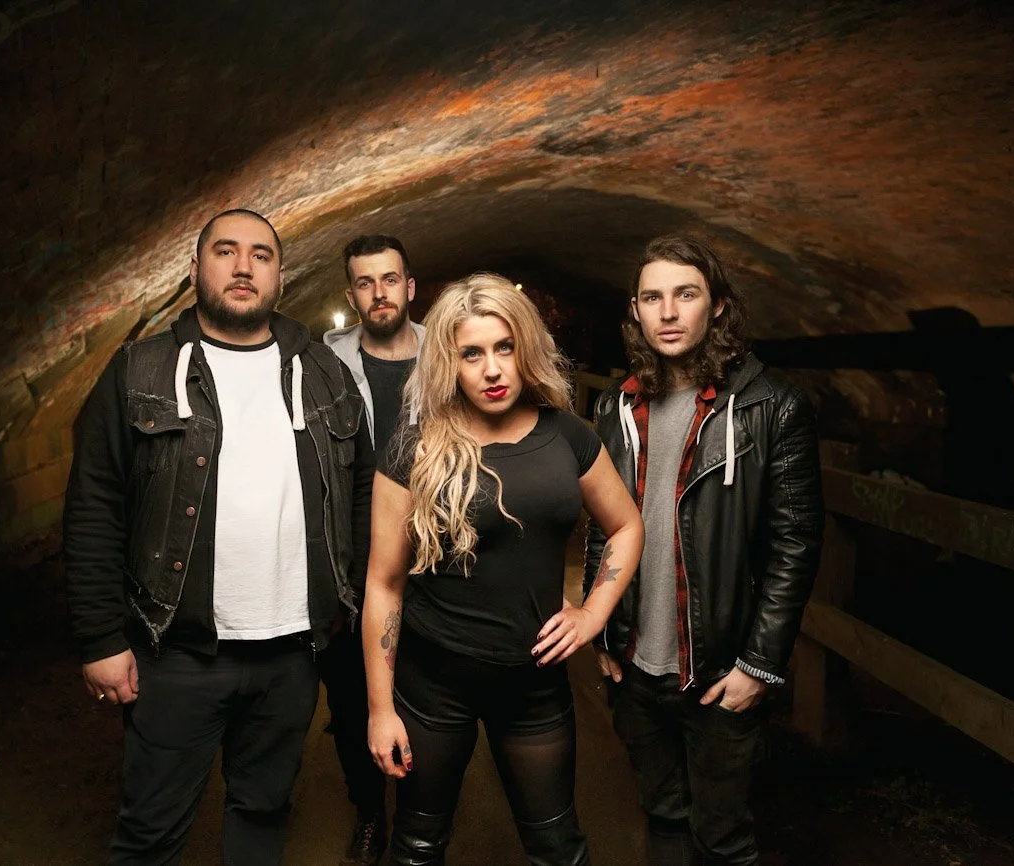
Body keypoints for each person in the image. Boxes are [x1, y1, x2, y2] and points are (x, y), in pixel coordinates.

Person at [63, 208, 373, 865]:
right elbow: (94, 504)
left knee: (262, 816)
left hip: (292, 652)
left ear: (280, 275)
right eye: (225, 251)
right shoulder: (139, 371)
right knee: (151, 832)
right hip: (176, 651)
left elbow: (362, 495)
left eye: (260, 255)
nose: (242, 266)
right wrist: (99, 638)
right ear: (197, 268)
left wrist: (350, 604)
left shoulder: (323, 373)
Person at [362, 274, 644, 866]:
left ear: (526, 350)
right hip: (432, 686)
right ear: (450, 361)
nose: (492, 369)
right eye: (472, 353)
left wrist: (593, 612)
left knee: (557, 848)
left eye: (504, 347)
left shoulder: (566, 435)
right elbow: (384, 585)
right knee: (415, 848)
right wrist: (381, 709)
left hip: (534, 687)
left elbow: (626, 525)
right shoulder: (415, 445)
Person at [585, 235, 823, 865]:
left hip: (719, 672)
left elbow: (795, 544)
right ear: (635, 310)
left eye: (684, 295)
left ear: (716, 305)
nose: (667, 312)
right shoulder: (618, 403)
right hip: (637, 665)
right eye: (652, 297)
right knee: (662, 818)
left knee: (722, 840)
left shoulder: (773, 406)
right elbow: (601, 526)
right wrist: (604, 632)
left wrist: (761, 665)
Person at [320, 234, 425, 865]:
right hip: (353, 563)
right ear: (352, 293)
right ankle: (368, 812)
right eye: (365, 282)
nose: (379, 292)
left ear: (411, 287)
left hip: (435, 562)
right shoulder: (324, 364)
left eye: (390, 279)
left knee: (422, 696)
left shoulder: (449, 354)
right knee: (353, 695)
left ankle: (418, 819)